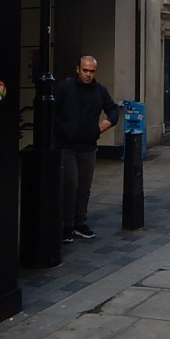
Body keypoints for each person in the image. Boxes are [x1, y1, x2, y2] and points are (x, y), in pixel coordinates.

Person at [54, 55, 119, 244]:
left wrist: (102, 126)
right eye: (85, 70)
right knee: (70, 185)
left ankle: (80, 223)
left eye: (92, 71)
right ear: (78, 69)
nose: (88, 74)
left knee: (84, 187)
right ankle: (67, 225)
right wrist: (63, 130)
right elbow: (52, 110)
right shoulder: (65, 87)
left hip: (88, 146)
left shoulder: (99, 90)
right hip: (67, 146)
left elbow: (113, 110)